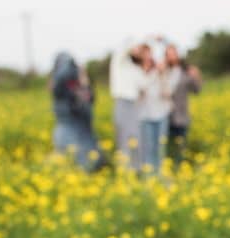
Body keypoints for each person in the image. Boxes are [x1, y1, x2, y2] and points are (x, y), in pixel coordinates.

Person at [49, 52, 106, 172]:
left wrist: (84, 80)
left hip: (84, 131)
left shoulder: (79, 85)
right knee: (75, 167)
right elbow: (59, 82)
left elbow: (90, 99)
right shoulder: (59, 86)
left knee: (95, 163)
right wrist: (71, 66)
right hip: (68, 130)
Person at [135, 46, 172, 175]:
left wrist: (161, 75)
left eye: (149, 54)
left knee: (160, 148)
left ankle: (161, 175)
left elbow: (167, 93)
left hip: (161, 114)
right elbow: (140, 91)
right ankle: (149, 176)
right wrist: (152, 74)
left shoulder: (161, 72)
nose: (148, 57)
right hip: (144, 116)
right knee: (148, 148)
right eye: (144, 54)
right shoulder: (136, 72)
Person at [109, 40, 146, 168]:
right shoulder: (120, 62)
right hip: (122, 103)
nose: (138, 51)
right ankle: (124, 171)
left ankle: (136, 170)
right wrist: (141, 41)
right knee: (123, 140)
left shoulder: (137, 68)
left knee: (137, 140)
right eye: (137, 49)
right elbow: (122, 48)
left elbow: (143, 85)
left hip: (134, 106)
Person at [164, 45, 202, 163]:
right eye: (169, 54)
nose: (171, 56)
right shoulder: (163, 71)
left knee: (181, 148)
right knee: (166, 147)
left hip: (181, 115)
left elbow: (196, 90)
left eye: (173, 53)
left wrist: (196, 76)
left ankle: (179, 170)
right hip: (164, 115)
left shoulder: (185, 72)